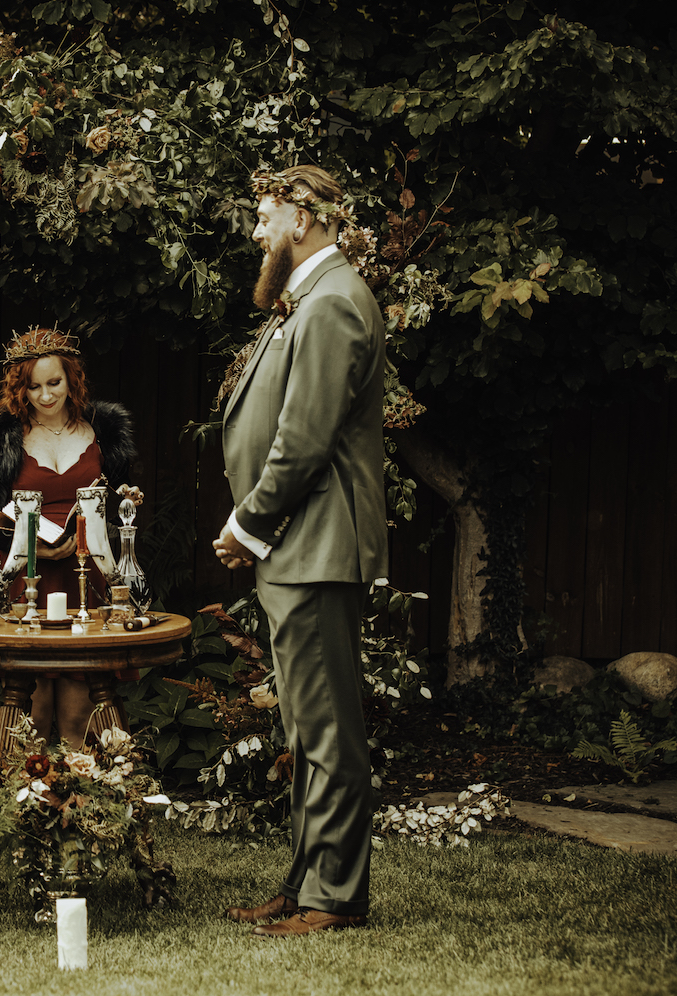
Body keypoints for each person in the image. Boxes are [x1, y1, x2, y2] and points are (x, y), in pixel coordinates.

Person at [212, 164, 388, 937]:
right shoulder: (310, 299)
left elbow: (304, 438)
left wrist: (248, 524)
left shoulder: (334, 303)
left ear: (305, 217)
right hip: (299, 546)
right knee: (305, 729)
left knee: (326, 729)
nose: (256, 230)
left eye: (264, 215)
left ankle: (336, 896)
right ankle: (306, 880)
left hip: (315, 544)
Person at [0, 328, 136, 748]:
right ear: (19, 388)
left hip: (88, 580)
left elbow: (119, 505)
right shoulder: (3, 438)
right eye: (34, 386)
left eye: (54, 383)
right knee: (33, 709)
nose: (45, 396)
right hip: (29, 580)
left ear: (72, 379)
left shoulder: (104, 432)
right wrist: (28, 542)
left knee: (81, 709)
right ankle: (23, 805)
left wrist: (111, 517)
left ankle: (79, 806)